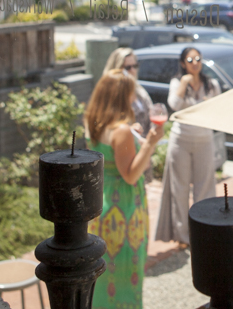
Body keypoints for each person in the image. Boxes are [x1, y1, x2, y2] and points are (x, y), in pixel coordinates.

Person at [85, 69, 164, 309]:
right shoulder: (120, 131)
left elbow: (112, 159)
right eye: (131, 94)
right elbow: (130, 175)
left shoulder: (94, 123)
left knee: (103, 274)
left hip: (102, 203)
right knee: (127, 274)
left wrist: (131, 136)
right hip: (125, 209)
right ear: (122, 96)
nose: (134, 98)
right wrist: (150, 144)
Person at [155, 46, 221, 245]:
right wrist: (184, 83)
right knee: (180, 189)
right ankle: (183, 236)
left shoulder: (211, 84)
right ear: (183, 64)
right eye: (190, 60)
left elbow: (218, 110)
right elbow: (173, 104)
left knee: (205, 188)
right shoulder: (177, 82)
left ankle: (203, 231)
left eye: (198, 59)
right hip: (181, 140)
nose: (195, 64)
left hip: (203, 140)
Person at [103, 47, 153, 136]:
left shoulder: (139, 89)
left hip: (145, 145)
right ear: (116, 69)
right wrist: (129, 130)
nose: (133, 70)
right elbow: (106, 127)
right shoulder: (110, 95)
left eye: (135, 66)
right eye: (128, 67)